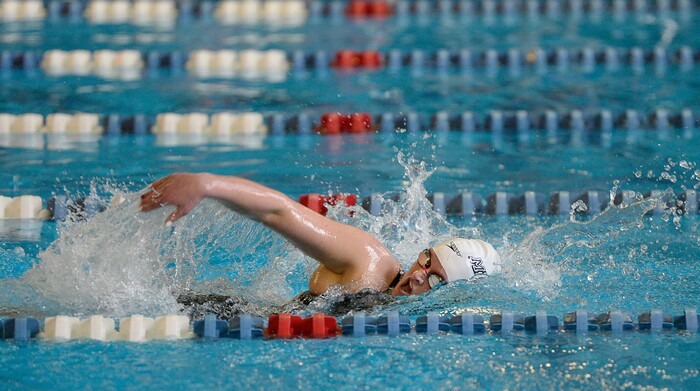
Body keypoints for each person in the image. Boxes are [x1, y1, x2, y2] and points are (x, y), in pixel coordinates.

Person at [140, 172, 500, 302]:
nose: (420, 274)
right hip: (221, 318)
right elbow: (281, 212)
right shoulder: (367, 261)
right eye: (426, 261)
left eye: (435, 280)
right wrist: (207, 184)